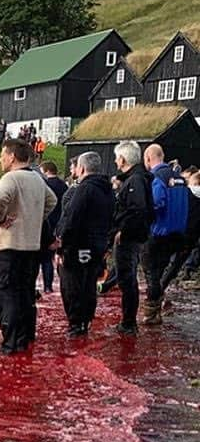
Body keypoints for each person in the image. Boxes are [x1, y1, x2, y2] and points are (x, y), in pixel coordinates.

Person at [0, 139, 57, 355]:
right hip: (31, 247)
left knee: (6, 296)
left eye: (2, 154)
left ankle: (11, 345)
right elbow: (52, 200)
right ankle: (26, 339)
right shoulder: (38, 179)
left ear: (11, 157)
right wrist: (34, 219)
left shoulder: (11, 178)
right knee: (26, 295)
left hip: (9, 245)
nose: (0, 159)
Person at [56, 151, 113, 337]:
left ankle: (75, 324)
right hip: (97, 245)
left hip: (78, 245)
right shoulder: (108, 189)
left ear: (81, 168)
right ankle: (86, 320)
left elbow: (72, 218)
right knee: (88, 283)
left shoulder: (84, 189)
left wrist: (61, 245)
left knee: (72, 284)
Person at [141, 143, 190, 325]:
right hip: (177, 233)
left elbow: (158, 202)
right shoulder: (180, 178)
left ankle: (151, 310)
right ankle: (156, 307)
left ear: (148, 159)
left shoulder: (156, 177)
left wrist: (144, 214)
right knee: (160, 270)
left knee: (150, 271)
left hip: (159, 231)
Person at [110, 140, 154, 336]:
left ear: (122, 158)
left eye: (116, 158)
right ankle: (128, 321)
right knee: (127, 278)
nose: (115, 161)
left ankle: (128, 323)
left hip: (129, 237)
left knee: (127, 279)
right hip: (134, 235)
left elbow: (138, 209)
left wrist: (123, 231)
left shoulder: (135, 180)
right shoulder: (137, 178)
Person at [39, 161, 68, 294]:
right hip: (60, 222)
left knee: (43, 258)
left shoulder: (44, 185)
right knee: (52, 258)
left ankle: (43, 286)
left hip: (46, 223)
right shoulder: (64, 185)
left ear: (45, 171)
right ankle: (49, 286)